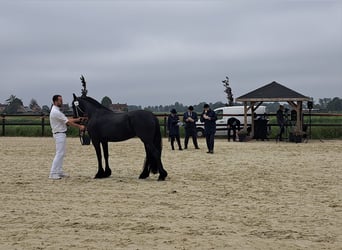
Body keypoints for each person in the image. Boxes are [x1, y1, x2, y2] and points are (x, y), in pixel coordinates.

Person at [49, 95, 85, 179]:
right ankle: (53, 173)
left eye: (61, 100)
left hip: (60, 134)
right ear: (55, 102)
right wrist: (80, 126)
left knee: (61, 153)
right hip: (59, 134)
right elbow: (68, 122)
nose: (61, 102)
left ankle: (59, 171)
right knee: (59, 153)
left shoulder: (56, 111)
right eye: (60, 101)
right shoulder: (56, 112)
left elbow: (66, 119)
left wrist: (78, 119)